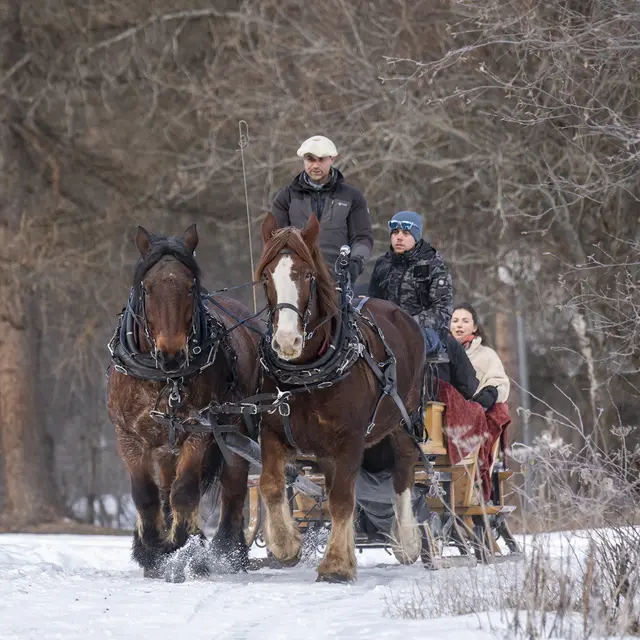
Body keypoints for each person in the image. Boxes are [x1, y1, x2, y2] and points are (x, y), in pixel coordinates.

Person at [271, 135, 373, 285]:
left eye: (322, 159)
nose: (316, 165)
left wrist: (356, 263)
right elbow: (275, 239)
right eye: (311, 159)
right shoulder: (286, 197)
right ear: (304, 160)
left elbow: (362, 238)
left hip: (336, 279)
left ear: (332, 159)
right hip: (296, 280)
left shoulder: (352, 197)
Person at [368, 211, 453, 358]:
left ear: (416, 236)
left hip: (426, 332)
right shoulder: (383, 263)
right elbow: (374, 301)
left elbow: (442, 310)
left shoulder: (433, 264)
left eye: (406, 233)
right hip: (386, 328)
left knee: (399, 344)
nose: (399, 237)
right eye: (395, 232)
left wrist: (407, 323)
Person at [450, 303, 510, 410]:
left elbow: (500, 383)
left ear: (474, 327)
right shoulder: (440, 354)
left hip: (475, 413)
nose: (459, 325)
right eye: (455, 321)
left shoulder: (487, 355)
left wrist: (491, 393)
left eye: (465, 321)